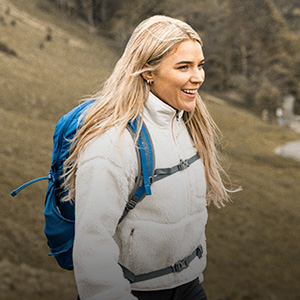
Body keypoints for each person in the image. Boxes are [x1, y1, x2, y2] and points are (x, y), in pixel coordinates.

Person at [63, 15, 231, 300]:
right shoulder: (112, 143)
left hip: (188, 287)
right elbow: (92, 249)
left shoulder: (187, 123)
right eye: (184, 67)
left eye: (200, 65)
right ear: (147, 71)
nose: (198, 77)